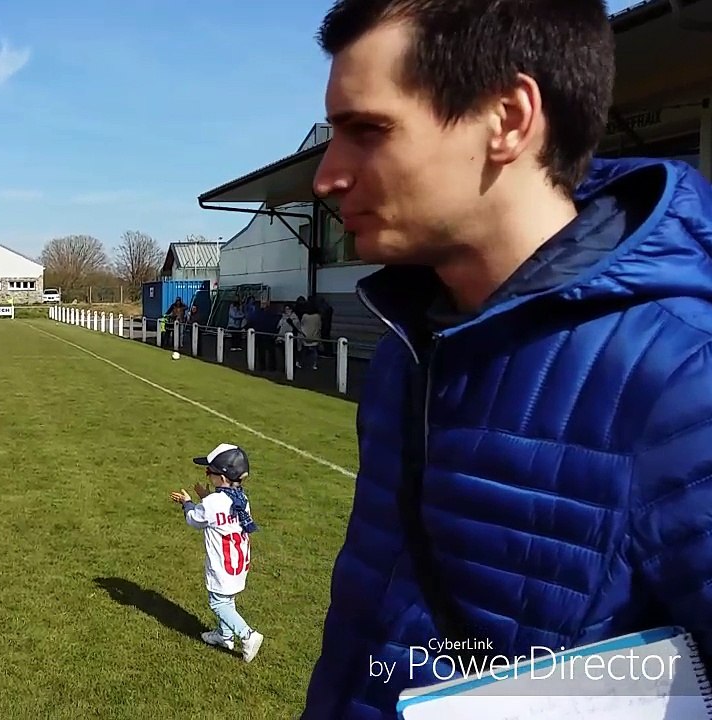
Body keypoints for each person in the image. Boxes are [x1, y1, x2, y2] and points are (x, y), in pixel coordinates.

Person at [300, 1, 712, 718]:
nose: (327, 177)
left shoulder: (681, 379)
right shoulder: (412, 335)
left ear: (509, 119)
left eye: (368, 130)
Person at [170, 443, 265, 663]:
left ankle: (247, 635)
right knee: (226, 599)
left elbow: (195, 520)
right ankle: (224, 636)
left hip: (222, 564)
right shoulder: (240, 499)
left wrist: (187, 503)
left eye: (209, 471)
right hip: (238, 563)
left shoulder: (213, 502)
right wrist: (205, 496)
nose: (206, 474)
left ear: (221, 477)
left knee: (218, 603)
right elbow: (219, 510)